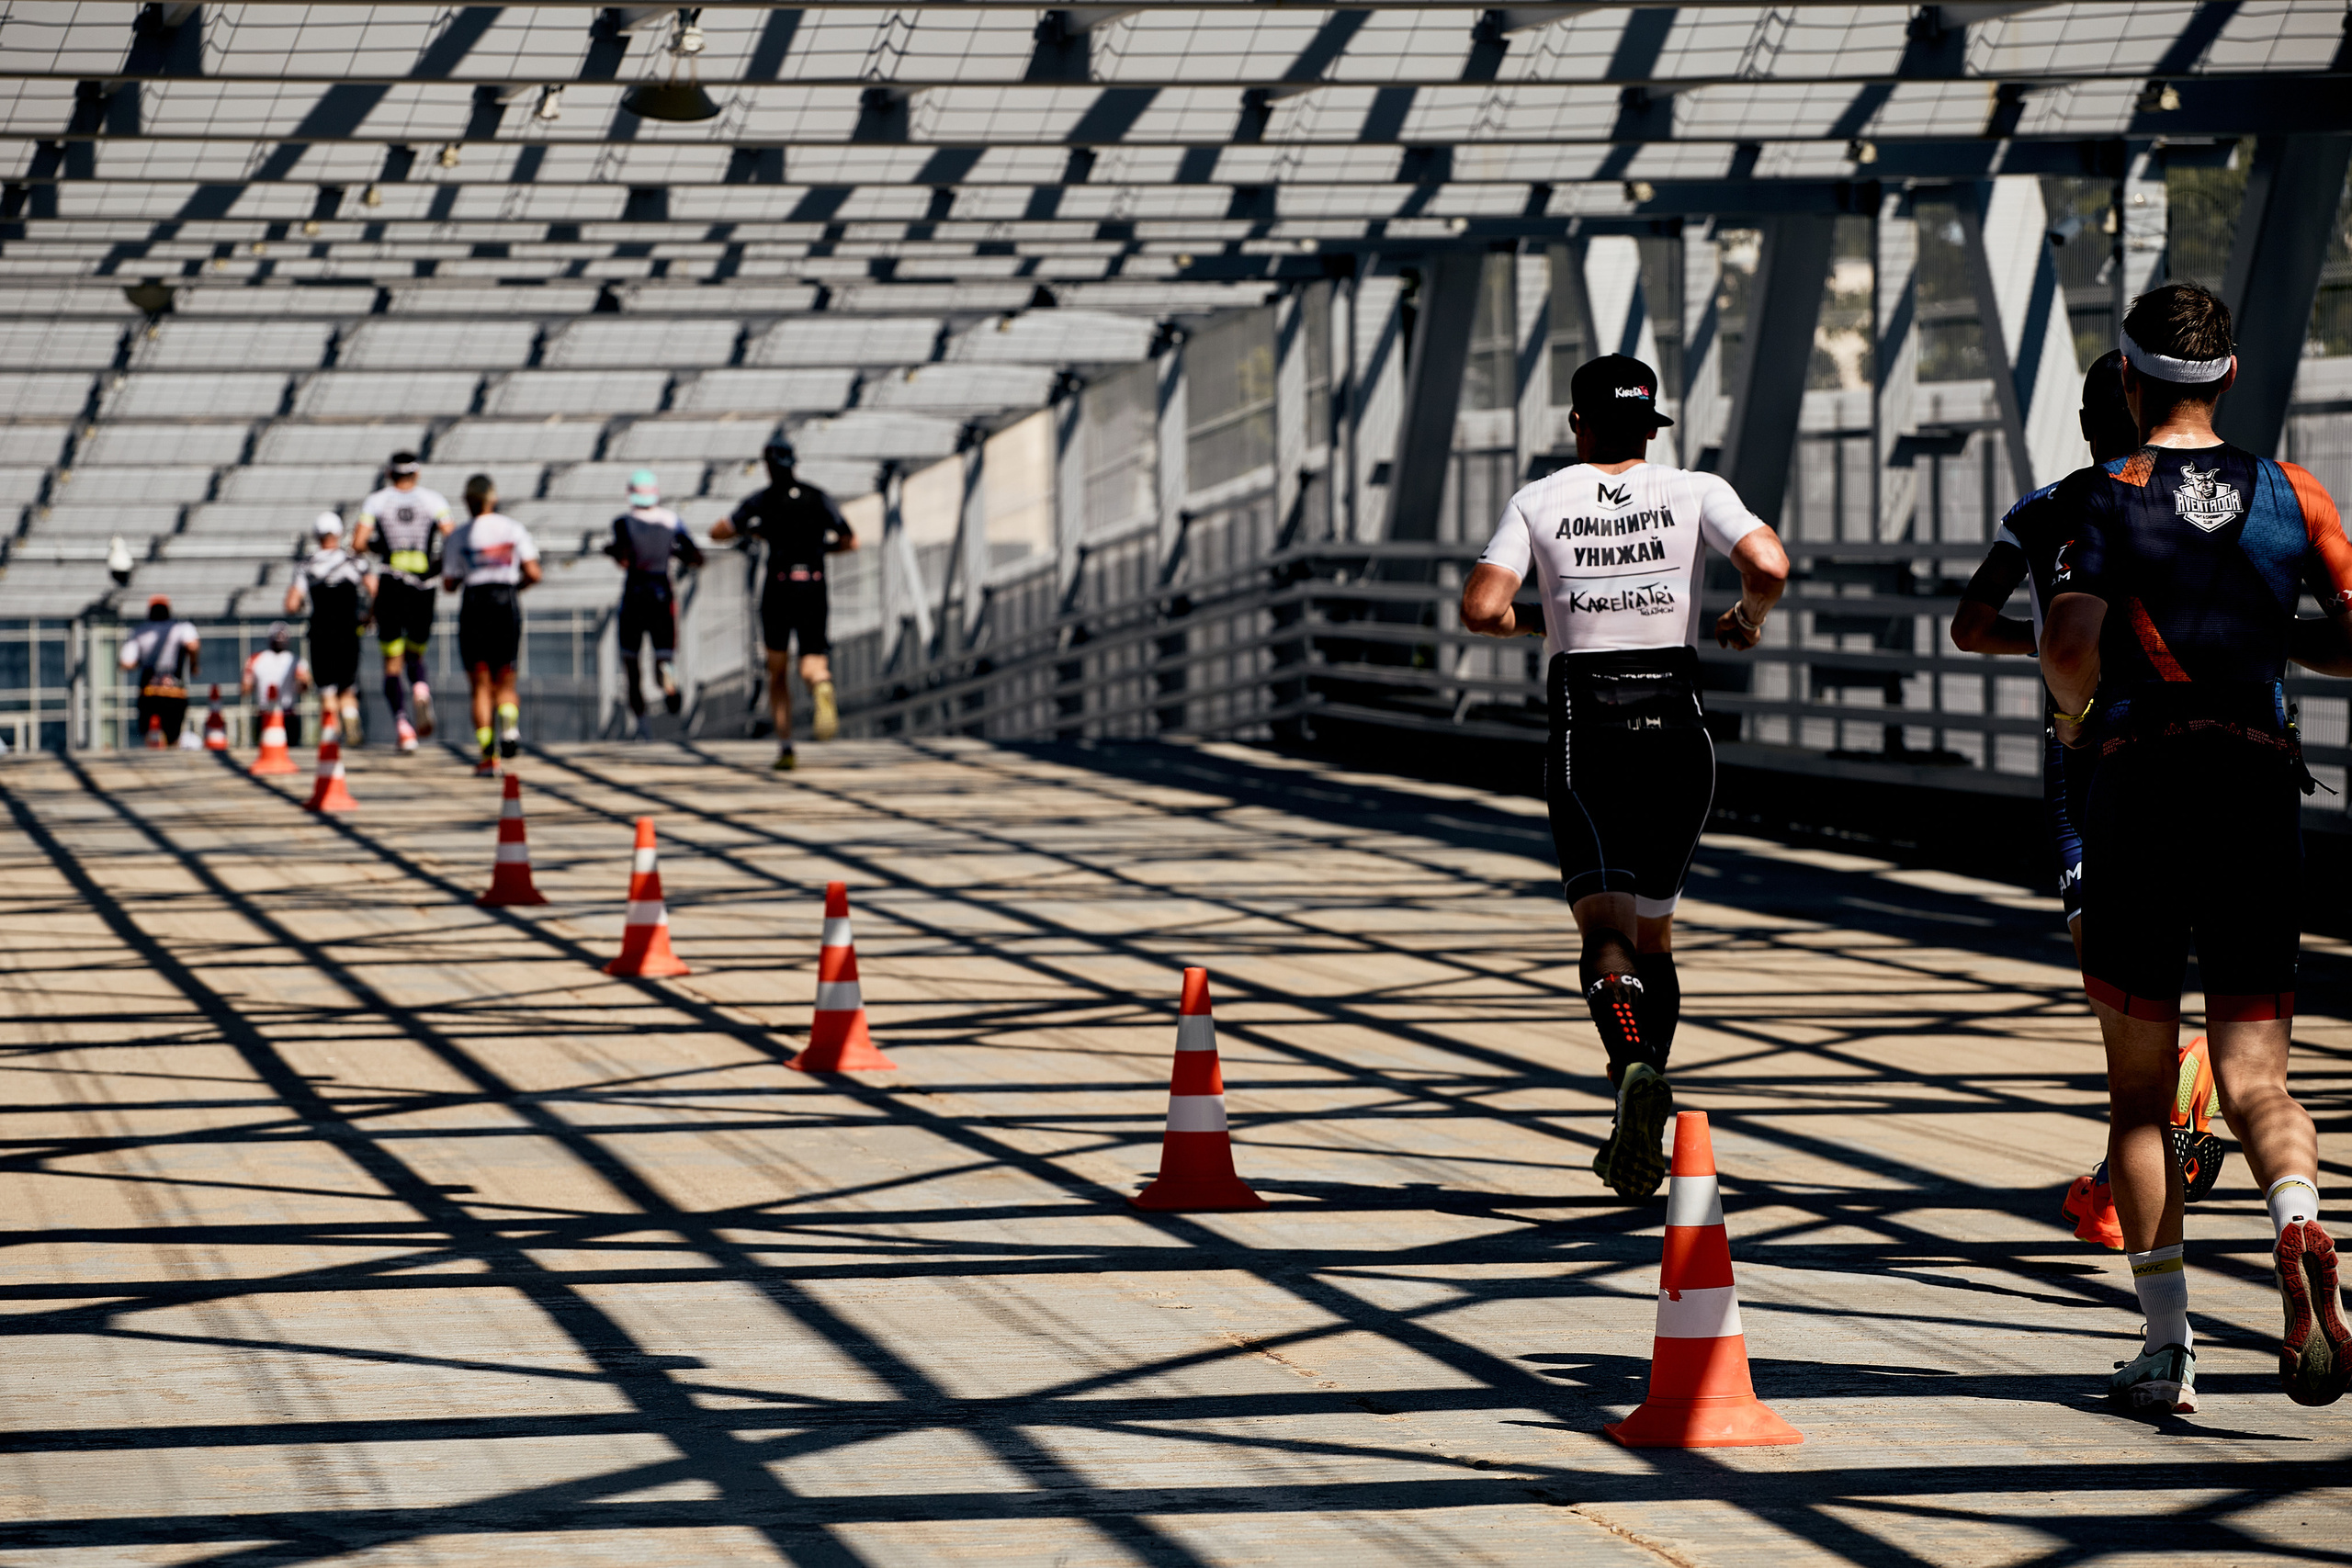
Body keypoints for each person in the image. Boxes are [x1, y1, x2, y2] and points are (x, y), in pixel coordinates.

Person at [2041, 281, 2352, 1415]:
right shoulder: (2292, 491)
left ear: (2128, 384)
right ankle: (2300, 1220)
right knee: (2258, 1078)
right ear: (2227, 380)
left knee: (2137, 1096)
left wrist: (2075, 712)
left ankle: (2167, 1351)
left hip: (2140, 787)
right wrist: (2275, 650)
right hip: (2254, 785)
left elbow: (2070, 643)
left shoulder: (2104, 495)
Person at [1460, 355, 1789, 1201]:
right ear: (1652, 427)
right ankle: (1637, 1096)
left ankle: (1635, 1072)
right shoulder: (1697, 489)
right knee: (1655, 933)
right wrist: (1746, 619)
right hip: (1683, 736)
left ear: (1577, 426)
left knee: (1603, 931)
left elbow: (1480, 607)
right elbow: (1771, 564)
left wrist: (1547, 618)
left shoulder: (1539, 500)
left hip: (1590, 730)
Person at [710, 439, 855, 771]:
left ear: (767, 466)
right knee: (812, 665)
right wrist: (821, 552)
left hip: (778, 587)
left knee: (777, 672)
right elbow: (851, 540)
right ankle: (821, 687)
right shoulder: (818, 498)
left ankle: (786, 748)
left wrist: (749, 532)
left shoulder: (761, 501)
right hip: (814, 585)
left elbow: (720, 531)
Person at [352, 451, 454, 753]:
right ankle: (421, 689)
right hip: (424, 583)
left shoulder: (378, 501)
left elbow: (358, 544)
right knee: (416, 654)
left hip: (392, 580)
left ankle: (403, 725)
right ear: (417, 473)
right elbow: (452, 536)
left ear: (389, 473)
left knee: (391, 664)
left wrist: (379, 546)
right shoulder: (433, 500)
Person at [441, 474, 541, 775]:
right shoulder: (512, 529)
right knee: (506, 678)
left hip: (474, 604)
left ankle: (487, 754)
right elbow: (534, 572)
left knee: (480, 685)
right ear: (492, 498)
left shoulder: (458, 536)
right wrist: (515, 587)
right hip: (505, 600)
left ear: (467, 502)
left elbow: (448, 582)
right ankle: (509, 728)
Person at [605, 468, 705, 739]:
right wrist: (672, 552)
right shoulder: (672, 521)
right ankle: (668, 682)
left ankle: (642, 725)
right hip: (662, 592)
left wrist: (613, 551)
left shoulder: (623, 523)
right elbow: (696, 556)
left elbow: (624, 557)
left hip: (635, 593)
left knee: (632, 664)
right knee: (662, 655)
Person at [286, 512, 372, 742]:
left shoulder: (306, 565)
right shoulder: (354, 562)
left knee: (326, 687)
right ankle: (351, 715)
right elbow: (375, 590)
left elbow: (292, 603)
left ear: (316, 536)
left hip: (321, 631)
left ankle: (331, 731)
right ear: (340, 533)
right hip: (348, 629)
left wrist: (301, 602)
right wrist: (369, 615)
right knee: (347, 685)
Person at [119, 594, 199, 746]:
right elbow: (193, 646)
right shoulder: (181, 628)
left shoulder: (140, 632)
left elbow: (126, 663)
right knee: (173, 736)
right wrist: (194, 665)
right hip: (174, 691)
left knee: (150, 735)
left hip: (149, 692)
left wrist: (143, 661)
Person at [241, 622, 311, 748]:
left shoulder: (295, 661)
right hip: (267, 715)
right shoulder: (295, 660)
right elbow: (245, 688)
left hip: (285, 715)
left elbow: (245, 688)